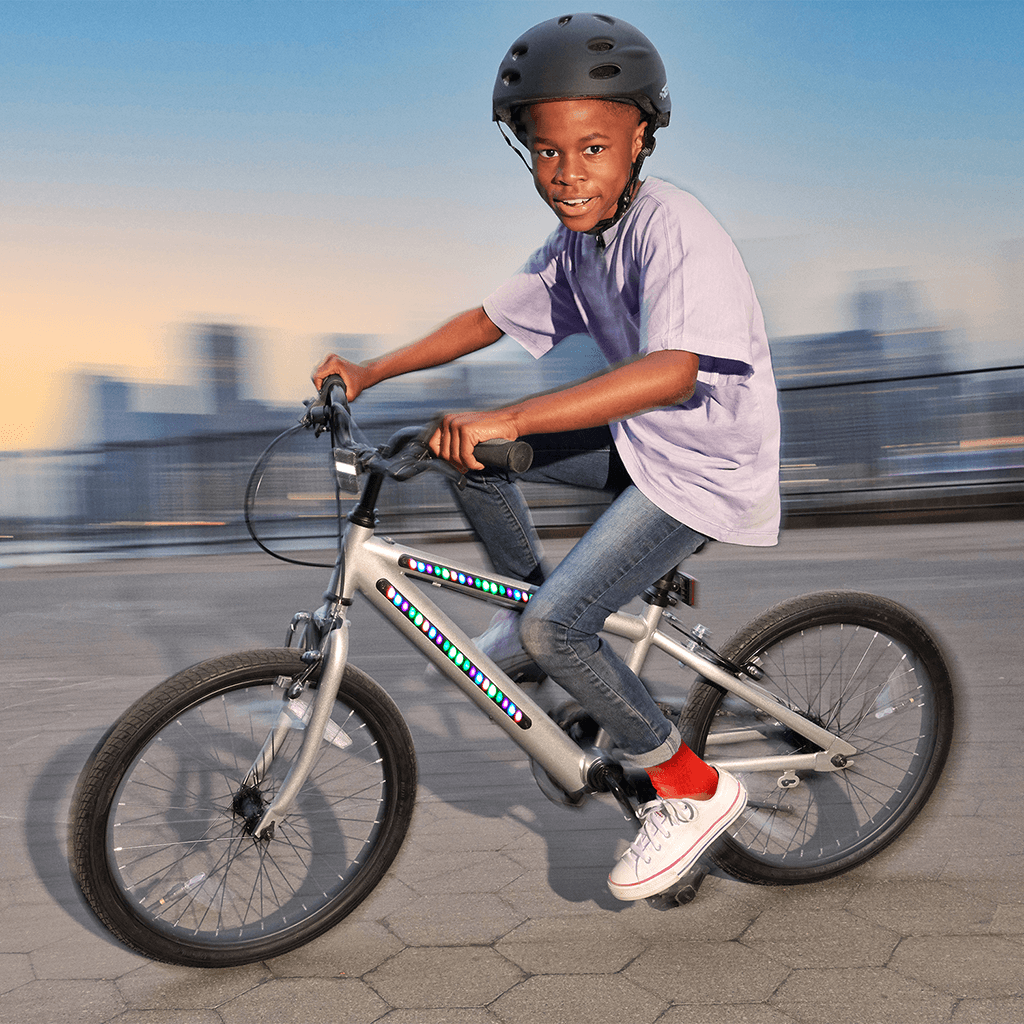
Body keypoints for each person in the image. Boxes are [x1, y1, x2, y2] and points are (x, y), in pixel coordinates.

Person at [313, 12, 780, 902]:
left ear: (642, 134)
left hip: (702, 469)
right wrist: (373, 369)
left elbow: (672, 368)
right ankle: (538, 619)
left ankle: (693, 790)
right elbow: (491, 317)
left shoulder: (675, 226)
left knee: (556, 627)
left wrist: (514, 414)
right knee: (456, 454)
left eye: (593, 148)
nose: (568, 174)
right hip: (643, 446)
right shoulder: (581, 242)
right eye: (546, 153)